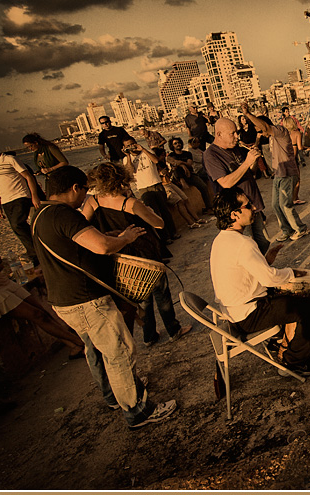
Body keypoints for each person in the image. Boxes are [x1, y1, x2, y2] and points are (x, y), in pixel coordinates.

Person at [31, 165, 177, 430]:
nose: (85, 196)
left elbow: (79, 243)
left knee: (95, 351)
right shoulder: (65, 215)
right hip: (86, 299)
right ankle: (137, 410)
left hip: (62, 300)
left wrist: (105, 235)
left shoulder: (39, 215)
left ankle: (113, 396)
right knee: (119, 351)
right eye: (84, 190)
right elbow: (102, 247)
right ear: (75, 188)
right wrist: (125, 237)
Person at [209, 187, 310, 377]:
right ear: (234, 214)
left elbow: (243, 273)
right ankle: (293, 362)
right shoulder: (243, 243)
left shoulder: (221, 240)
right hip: (249, 314)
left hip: (233, 312)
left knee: (292, 298)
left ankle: (279, 342)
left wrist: (266, 261)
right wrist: (293, 272)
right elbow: (269, 279)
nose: (254, 208)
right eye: (247, 206)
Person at [82, 163, 192, 347]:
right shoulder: (130, 203)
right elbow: (159, 224)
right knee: (160, 293)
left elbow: (83, 225)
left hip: (118, 256)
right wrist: (149, 211)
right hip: (143, 252)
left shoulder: (93, 201)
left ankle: (149, 335)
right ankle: (173, 329)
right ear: (121, 179)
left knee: (140, 295)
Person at [0, 246, 85, 358]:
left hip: (2, 282)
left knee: (42, 312)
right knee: (37, 315)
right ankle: (79, 341)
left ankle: (74, 346)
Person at [241, 106, 310, 243]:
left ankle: (301, 228)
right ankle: (287, 230)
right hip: (278, 174)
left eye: (258, 129)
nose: (259, 132)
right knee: (275, 205)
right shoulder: (270, 137)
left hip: (288, 173)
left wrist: (248, 113)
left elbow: (265, 128)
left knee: (285, 204)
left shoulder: (280, 131)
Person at [203, 117, 271, 254]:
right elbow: (225, 183)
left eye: (236, 132)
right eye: (232, 133)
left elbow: (250, 172)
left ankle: (262, 268)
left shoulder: (235, 148)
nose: (236, 136)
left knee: (262, 241)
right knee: (246, 248)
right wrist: (247, 162)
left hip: (252, 204)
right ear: (219, 134)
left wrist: (254, 161)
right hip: (237, 212)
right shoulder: (211, 155)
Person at [121, 138, 180, 243]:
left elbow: (156, 161)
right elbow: (130, 172)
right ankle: (165, 237)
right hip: (143, 188)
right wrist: (128, 155)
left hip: (156, 184)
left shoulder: (147, 153)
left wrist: (143, 149)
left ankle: (173, 232)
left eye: (132, 144)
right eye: (128, 146)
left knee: (164, 210)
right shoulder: (126, 159)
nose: (131, 147)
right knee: (154, 213)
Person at [0, 147, 41, 265]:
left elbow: (28, 177)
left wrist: (34, 196)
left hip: (20, 196)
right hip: (6, 201)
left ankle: (35, 253)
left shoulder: (10, 159)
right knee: (18, 228)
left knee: (17, 224)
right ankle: (37, 248)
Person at [166, 137, 213, 211]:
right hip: (178, 176)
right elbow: (171, 162)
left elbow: (189, 164)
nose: (178, 144)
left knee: (203, 186)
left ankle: (209, 207)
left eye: (178, 142)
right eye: (175, 143)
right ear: (172, 146)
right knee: (176, 168)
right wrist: (183, 166)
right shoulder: (171, 155)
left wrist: (180, 163)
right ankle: (182, 180)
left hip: (190, 174)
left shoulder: (187, 153)